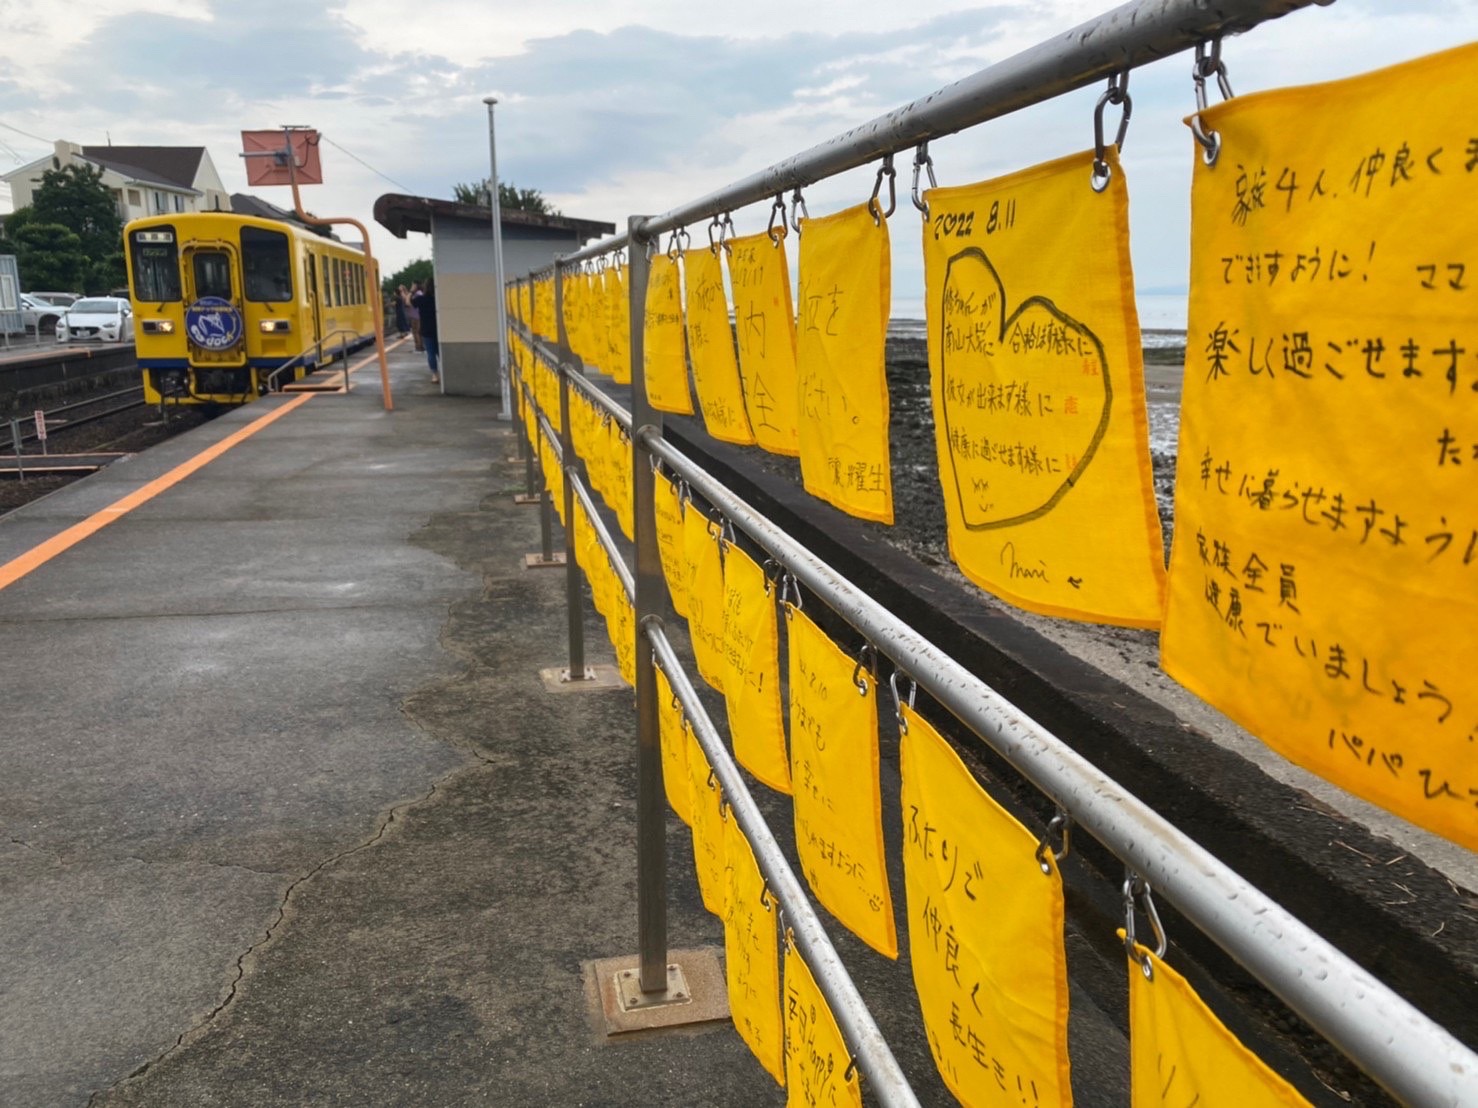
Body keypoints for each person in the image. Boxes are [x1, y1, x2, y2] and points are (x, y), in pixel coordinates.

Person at [419, 277, 440, 384]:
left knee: (431, 354)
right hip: (439, 329)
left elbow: (408, 302)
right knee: (440, 352)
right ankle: (445, 373)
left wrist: (412, 291)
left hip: (426, 330)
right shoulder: (438, 298)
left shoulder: (422, 299)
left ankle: (435, 375)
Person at [408, 282, 424, 351]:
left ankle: (418, 347)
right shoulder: (419, 293)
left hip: (416, 317)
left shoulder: (418, 294)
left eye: (413, 285)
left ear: (416, 286)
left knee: (416, 332)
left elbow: (408, 302)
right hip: (416, 316)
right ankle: (419, 346)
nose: (411, 286)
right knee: (417, 332)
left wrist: (410, 292)